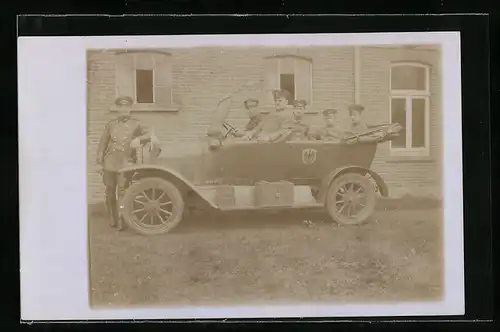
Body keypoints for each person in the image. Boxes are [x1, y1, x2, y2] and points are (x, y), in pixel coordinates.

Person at [95, 96, 155, 228]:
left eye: (126, 108)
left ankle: (122, 219)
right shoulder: (111, 125)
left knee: (123, 191)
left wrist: (138, 140)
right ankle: (112, 216)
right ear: (117, 109)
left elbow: (149, 135)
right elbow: (103, 143)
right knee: (110, 190)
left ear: (130, 109)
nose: (124, 110)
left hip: (126, 162)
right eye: (121, 108)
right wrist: (99, 161)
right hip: (110, 161)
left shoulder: (136, 124)